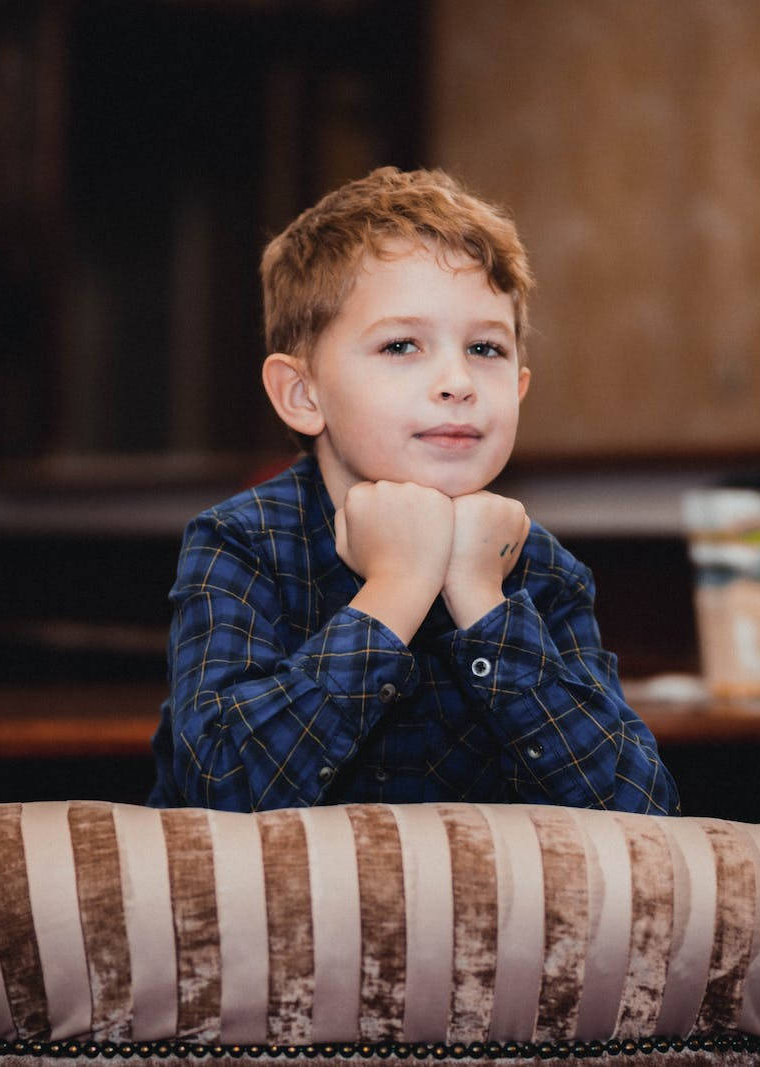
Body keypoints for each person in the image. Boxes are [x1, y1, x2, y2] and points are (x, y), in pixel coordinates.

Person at [147, 167, 679, 814]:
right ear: (302, 393)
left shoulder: (539, 569)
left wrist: (486, 603)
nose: (458, 380)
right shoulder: (242, 545)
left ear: (518, 389)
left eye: (486, 348)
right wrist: (395, 590)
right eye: (402, 345)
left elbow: (643, 810)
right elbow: (223, 790)